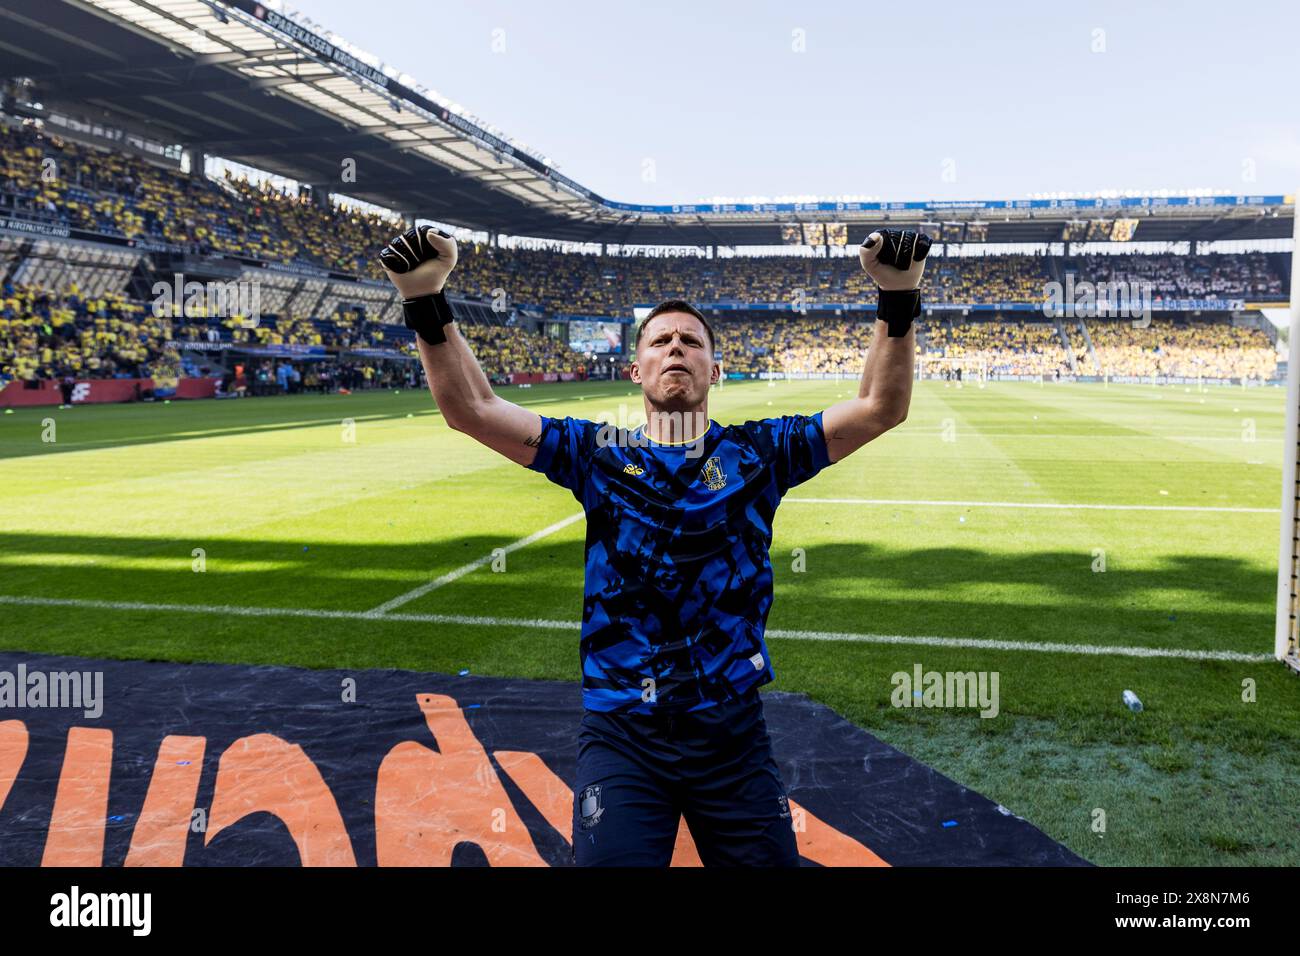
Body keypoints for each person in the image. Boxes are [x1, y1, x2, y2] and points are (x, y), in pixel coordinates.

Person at [379, 223, 927, 866]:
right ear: (634, 366)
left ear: (714, 369)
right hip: (622, 731)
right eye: (660, 340)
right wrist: (425, 300)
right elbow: (471, 408)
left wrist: (897, 294)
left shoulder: (759, 453)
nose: (675, 349)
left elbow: (879, 407)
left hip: (731, 732)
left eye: (691, 341)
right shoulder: (596, 455)